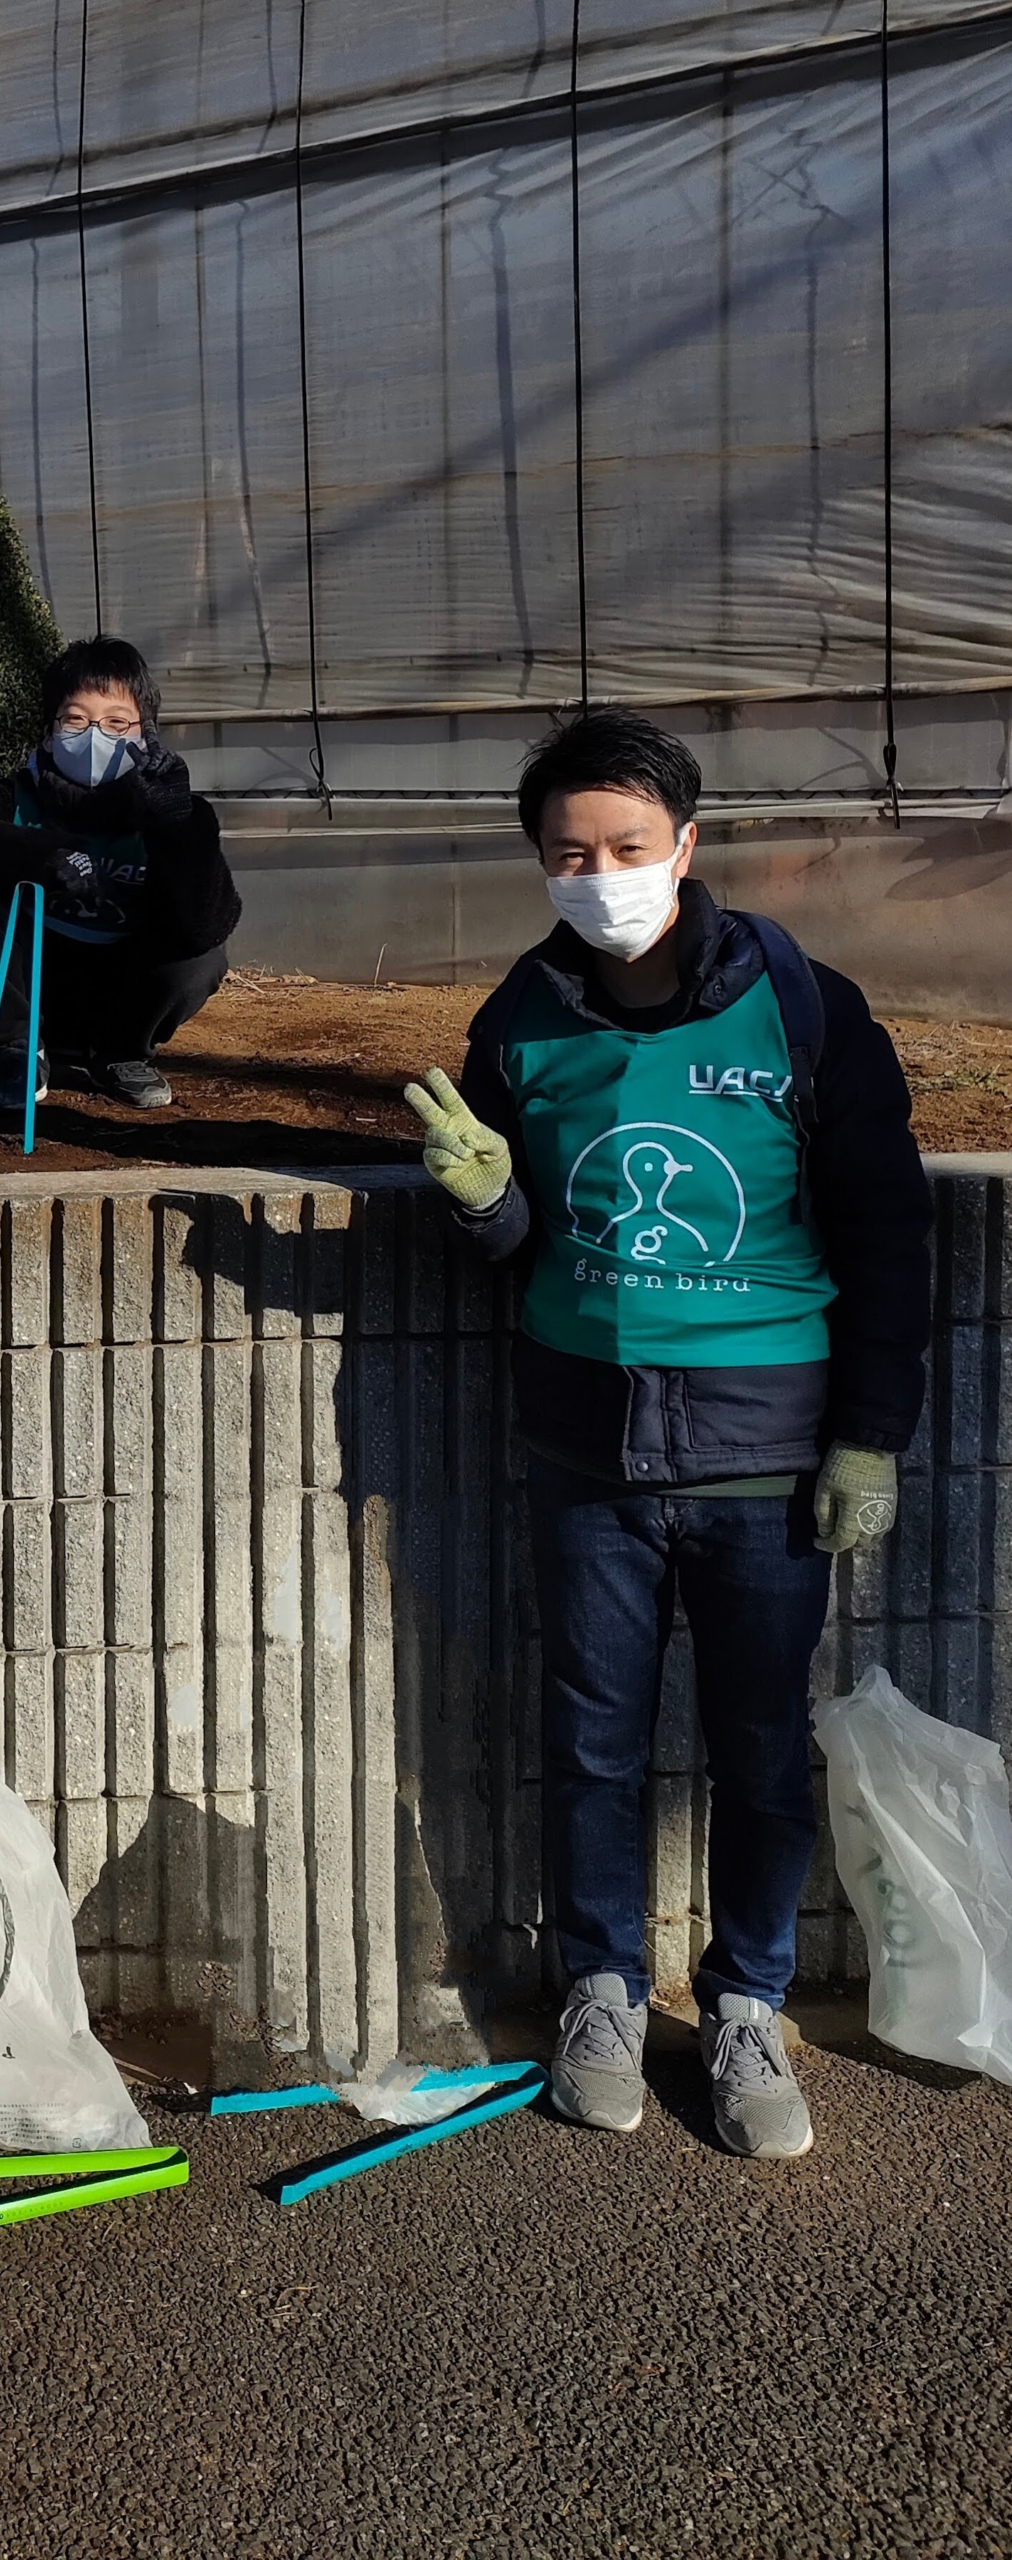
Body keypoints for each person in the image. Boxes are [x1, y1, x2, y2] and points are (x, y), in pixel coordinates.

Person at [404, 708, 930, 2161]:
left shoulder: (799, 1004)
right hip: (585, 1448)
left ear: (686, 846)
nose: (600, 874)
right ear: (541, 866)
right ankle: (601, 1987)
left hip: (766, 1448)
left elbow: (888, 1236)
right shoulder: (523, 1019)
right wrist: (478, 1198)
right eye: (569, 853)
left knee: (759, 1747)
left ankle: (748, 2003)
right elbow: (517, 1245)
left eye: (628, 846)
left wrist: (868, 1436)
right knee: (591, 1737)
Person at [0, 634, 241, 1112]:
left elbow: (206, 925)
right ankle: (16, 1051)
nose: (94, 737)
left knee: (203, 957)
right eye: (76, 719)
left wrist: (178, 826)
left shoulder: (171, 811)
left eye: (116, 723)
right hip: (34, 989)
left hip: (123, 988)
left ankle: (123, 1055)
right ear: (48, 732)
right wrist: (41, 854)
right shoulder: (18, 796)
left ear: (144, 735)